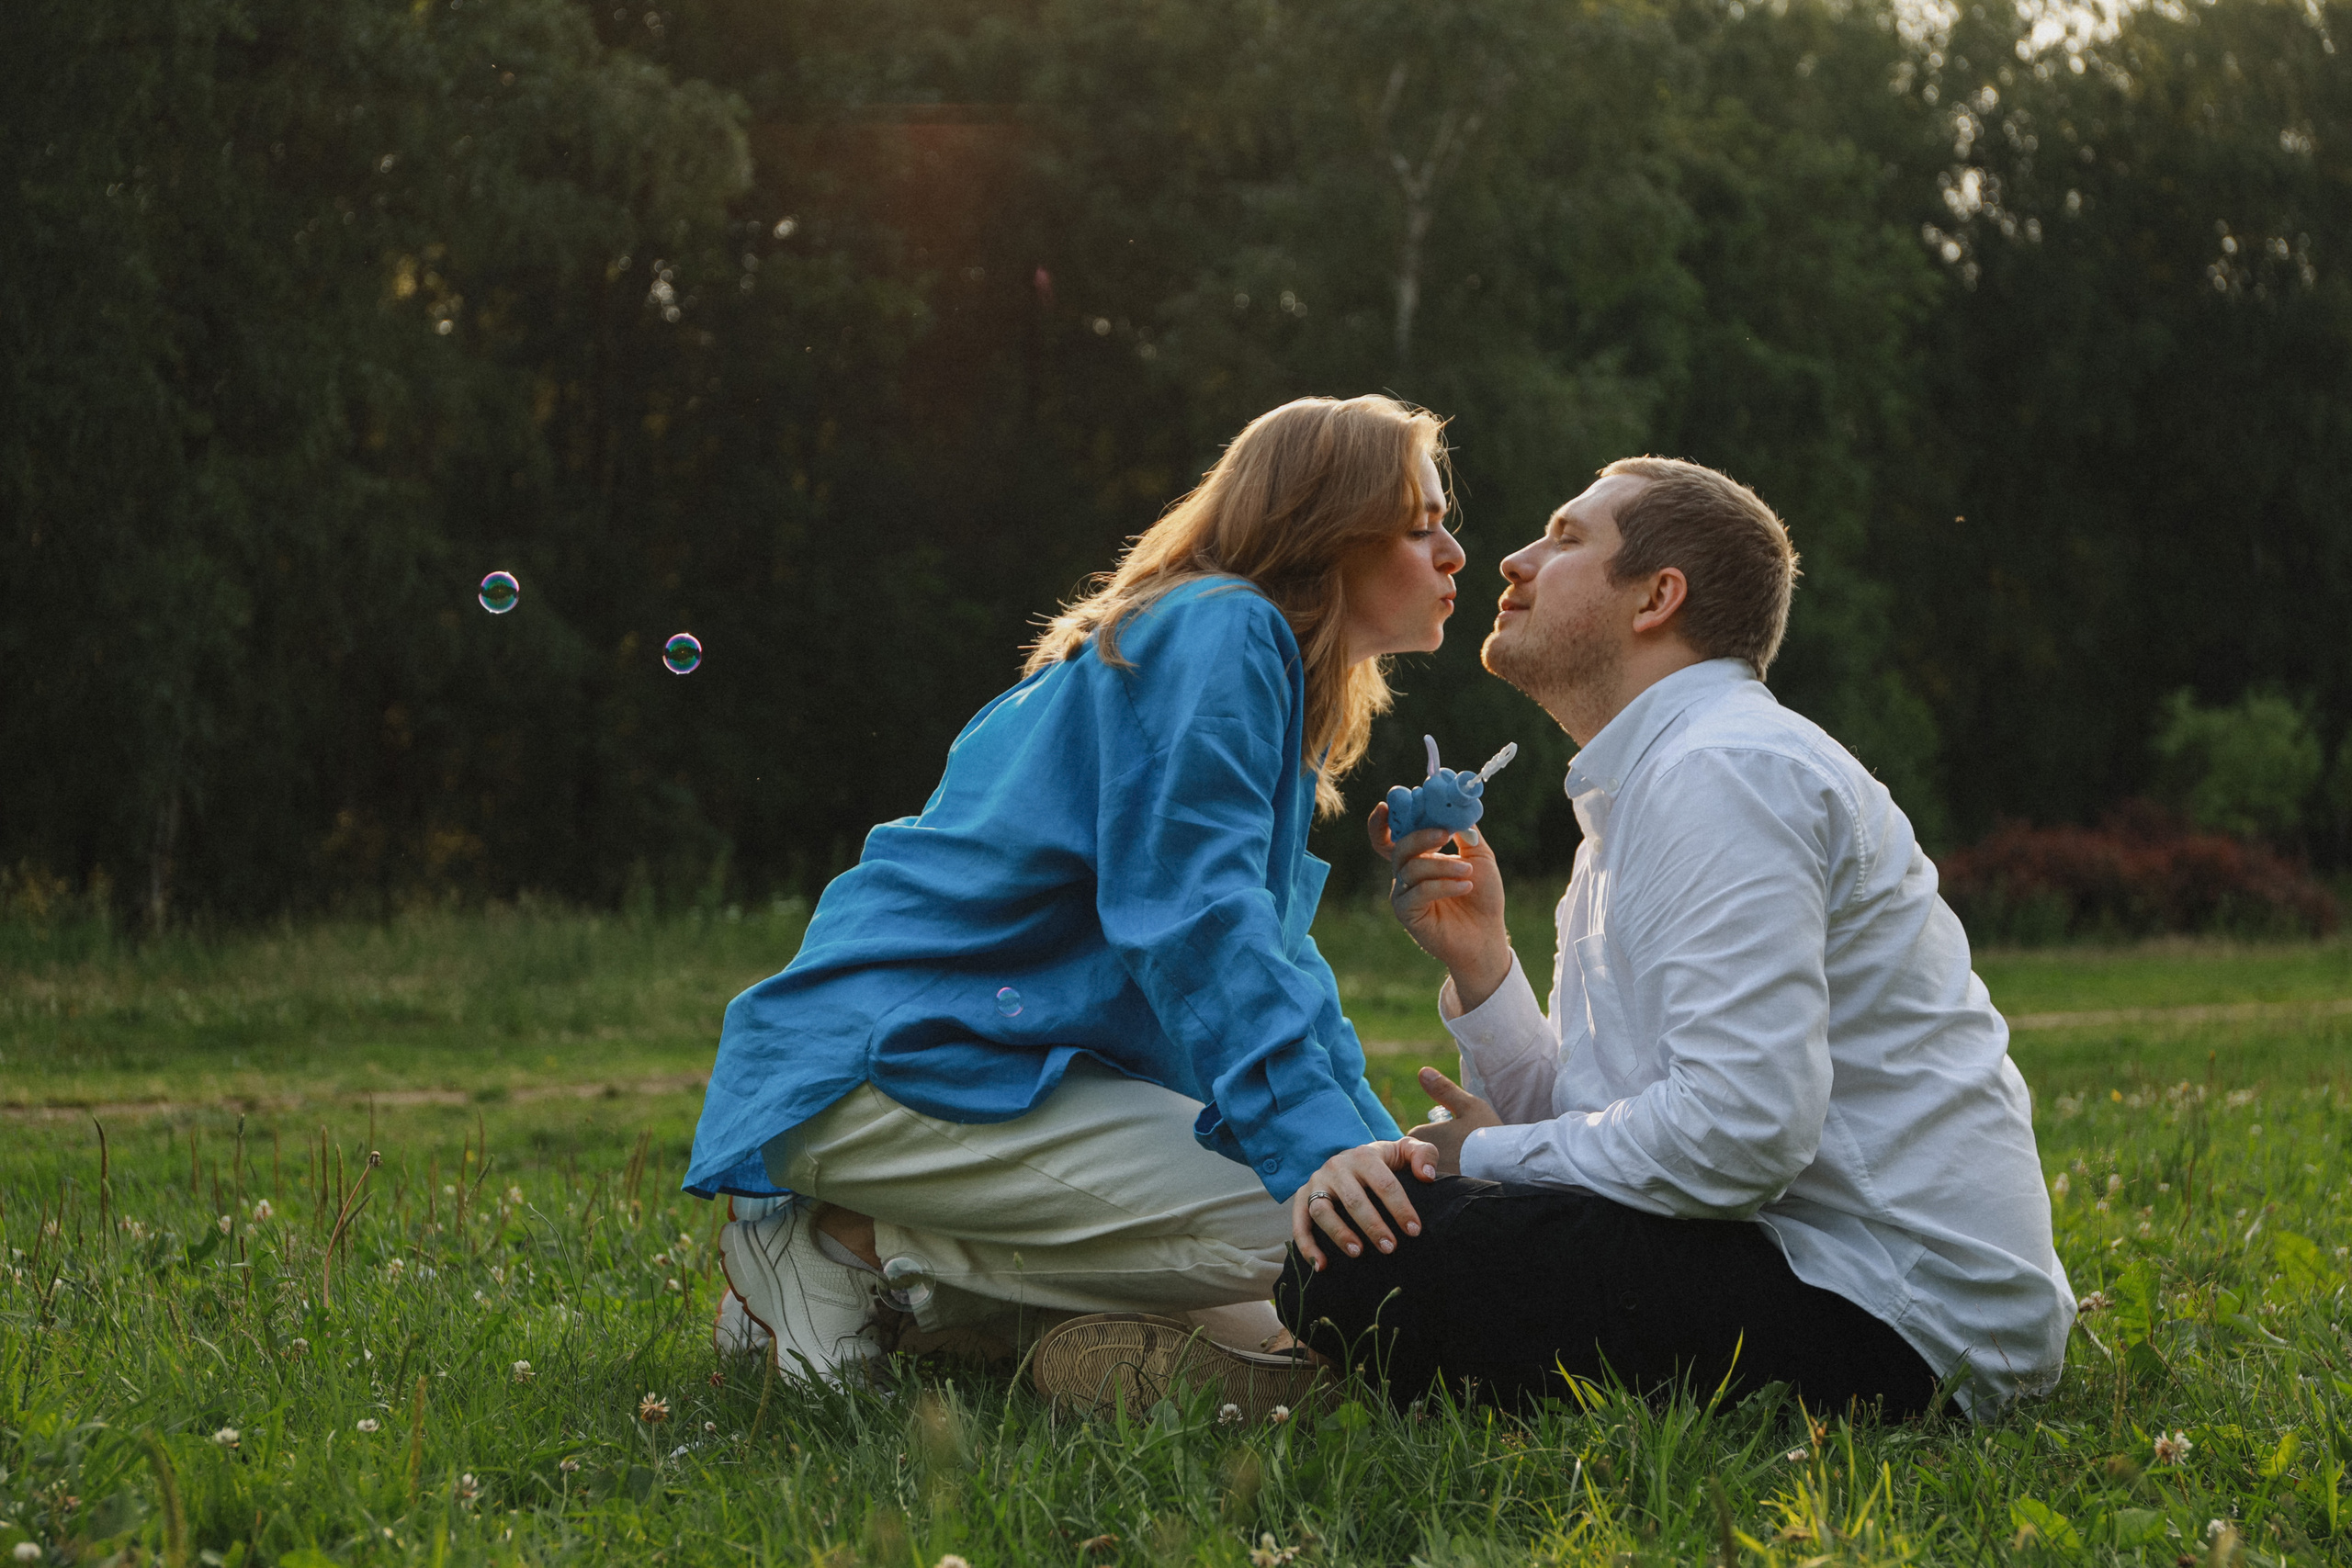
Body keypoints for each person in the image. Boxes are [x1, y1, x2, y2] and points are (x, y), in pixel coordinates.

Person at [682, 394, 1466, 1386]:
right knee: (1338, 1250)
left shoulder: (1216, 641)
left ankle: (926, 1310)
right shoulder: (1225, 630)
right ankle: (852, 1247)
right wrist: (1324, 1158)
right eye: (1419, 524)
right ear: (1326, 530)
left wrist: (1371, 1153)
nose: (1453, 555)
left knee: (1349, 1257)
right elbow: (1196, 920)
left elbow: (1271, 959)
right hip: (899, 1065)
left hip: (975, 1071)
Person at [1274, 457, 2074, 1420]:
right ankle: (1286, 1358)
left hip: (1896, 1317)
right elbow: (1608, 1123)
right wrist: (1481, 961)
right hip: (1798, 1261)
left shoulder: (1725, 772)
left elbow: (1740, 1135)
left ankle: (1272, 1365)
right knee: (1370, 1230)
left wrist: (1478, 1162)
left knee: (1363, 1257)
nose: (1514, 562)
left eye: (1566, 539)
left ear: (1657, 597)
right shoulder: (1648, 789)